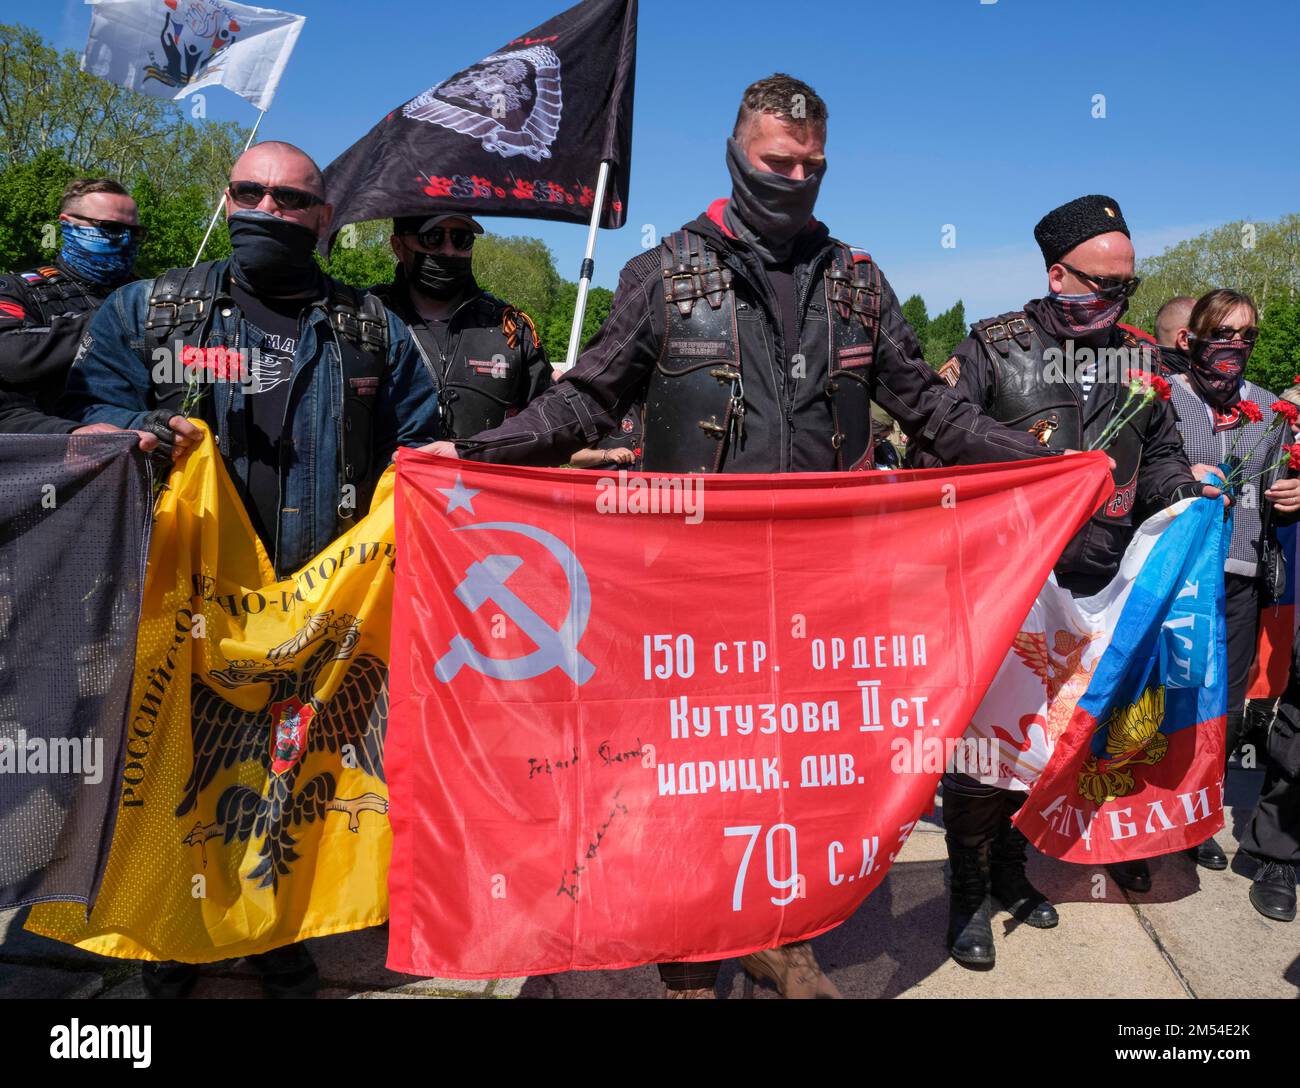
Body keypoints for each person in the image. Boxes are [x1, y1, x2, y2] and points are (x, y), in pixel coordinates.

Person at [425, 74, 1089, 998]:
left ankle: (784, 935)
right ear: (736, 154)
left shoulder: (857, 282)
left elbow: (929, 407)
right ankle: (692, 953)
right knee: (688, 770)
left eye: (813, 166)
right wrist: (474, 450)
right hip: (683, 588)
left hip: (822, 589)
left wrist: (1042, 461)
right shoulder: (663, 273)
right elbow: (587, 397)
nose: (796, 178)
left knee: (797, 771)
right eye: (779, 162)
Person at [61, 140, 441, 997]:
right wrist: (143, 431)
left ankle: (271, 929)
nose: (268, 210)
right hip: (176, 595)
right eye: (250, 192)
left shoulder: (372, 329)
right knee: (166, 767)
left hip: (314, 603)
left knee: (292, 769)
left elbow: (417, 445)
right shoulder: (145, 310)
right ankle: (167, 936)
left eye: (291, 198)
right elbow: (91, 416)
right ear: (227, 199)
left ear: (324, 218)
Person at [908, 194, 1224, 968]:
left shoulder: (1141, 360)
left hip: (1099, 590)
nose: (1121, 303)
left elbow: (1156, 460)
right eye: (1107, 286)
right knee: (987, 753)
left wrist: (1185, 494)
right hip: (1006, 590)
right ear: (1058, 275)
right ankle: (968, 891)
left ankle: (1014, 871)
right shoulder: (991, 348)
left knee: (1051, 749)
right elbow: (930, 457)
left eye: (1131, 288)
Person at [1148, 289, 1298, 889]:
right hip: (1167, 572)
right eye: (1223, 332)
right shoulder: (1161, 398)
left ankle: (1195, 817)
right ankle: (1134, 819)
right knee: (1153, 697)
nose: (1236, 345)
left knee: (1222, 709)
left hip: (1236, 577)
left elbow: (1279, 494)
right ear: (1191, 339)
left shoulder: (1271, 411)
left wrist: (1293, 495)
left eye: (1247, 334)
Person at [370, 214, 549, 438]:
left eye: (461, 239)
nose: (449, 250)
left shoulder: (511, 329)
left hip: (477, 471)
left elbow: (546, 424)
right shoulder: (365, 318)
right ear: (398, 245)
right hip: (391, 472)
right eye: (432, 237)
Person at [0, 178, 143, 415]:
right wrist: (120, 318)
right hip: (58, 441)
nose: (126, 240)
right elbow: (12, 355)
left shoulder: (149, 292)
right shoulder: (19, 288)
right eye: (111, 228)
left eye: (135, 232)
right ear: (67, 225)